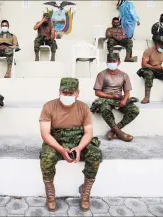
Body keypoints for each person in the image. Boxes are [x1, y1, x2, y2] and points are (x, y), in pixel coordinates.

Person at [39, 78, 102, 212]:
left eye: (70, 93)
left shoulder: (83, 107)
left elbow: (88, 133)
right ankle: (50, 194)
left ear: (77, 93)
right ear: (59, 92)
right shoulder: (49, 107)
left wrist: (79, 148)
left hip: (78, 141)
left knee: (96, 154)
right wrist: (61, 149)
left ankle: (85, 191)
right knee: (46, 156)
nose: (67, 96)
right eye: (64, 93)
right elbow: (45, 134)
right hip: (57, 142)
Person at [91, 53, 139, 142]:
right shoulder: (101, 74)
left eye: (114, 61)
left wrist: (124, 100)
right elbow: (97, 92)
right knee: (104, 108)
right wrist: (110, 96)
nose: (111, 63)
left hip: (119, 99)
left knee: (134, 110)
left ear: (118, 62)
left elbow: (127, 92)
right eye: (109, 61)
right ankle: (119, 133)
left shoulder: (124, 75)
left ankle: (113, 131)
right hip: (106, 99)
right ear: (106, 62)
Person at [137, 36, 163, 104]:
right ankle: (147, 97)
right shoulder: (149, 50)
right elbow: (144, 64)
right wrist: (155, 67)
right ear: (157, 44)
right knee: (149, 73)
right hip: (149, 69)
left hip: (159, 70)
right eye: (162, 46)